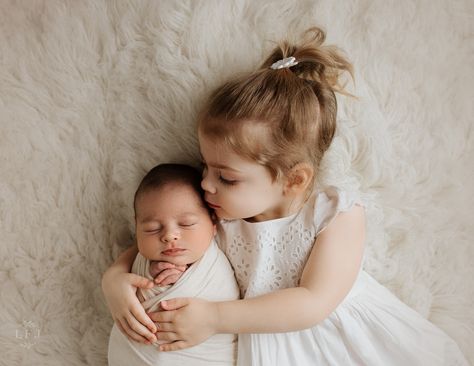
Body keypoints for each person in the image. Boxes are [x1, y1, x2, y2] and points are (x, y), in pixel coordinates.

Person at [102, 28, 469, 365]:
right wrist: (115, 280)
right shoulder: (220, 216)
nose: (207, 185)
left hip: (343, 341)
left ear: (293, 180)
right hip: (263, 350)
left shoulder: (334, 214)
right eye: (205, 167)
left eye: (226, 177)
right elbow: (160, 239)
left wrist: (214, 317)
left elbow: (313, 302)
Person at [106, 163, 239, 366]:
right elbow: (131, 309)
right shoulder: (136, 260)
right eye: (152, 228)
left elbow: (225, 304)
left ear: (213, 223)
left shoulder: (214, 265)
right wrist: (150, 282)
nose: (169, 236)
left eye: (186, 224)